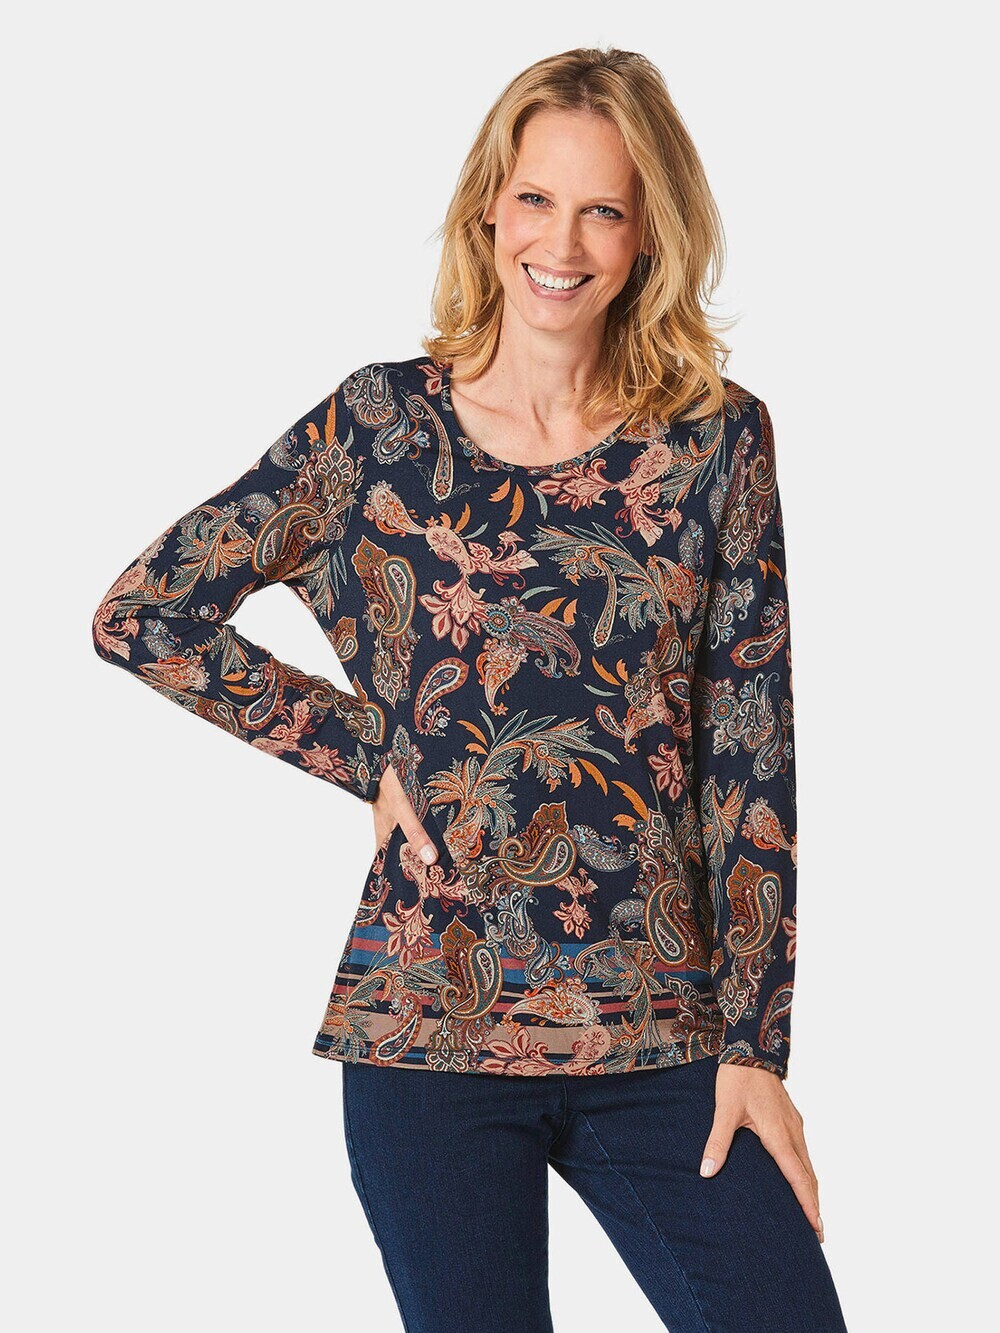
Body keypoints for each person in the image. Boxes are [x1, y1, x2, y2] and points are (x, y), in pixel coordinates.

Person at [92, 45, 849, 1333]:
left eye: (604, 209)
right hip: (428, 1031)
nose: (564, 243)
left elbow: (751, 752)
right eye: (537, 200)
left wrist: (757, 1047)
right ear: (489, 207)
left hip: (669, 1038)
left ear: (649, 235)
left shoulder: (717, 440)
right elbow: (143, 614)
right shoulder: (378, 430)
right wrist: (362, 753)